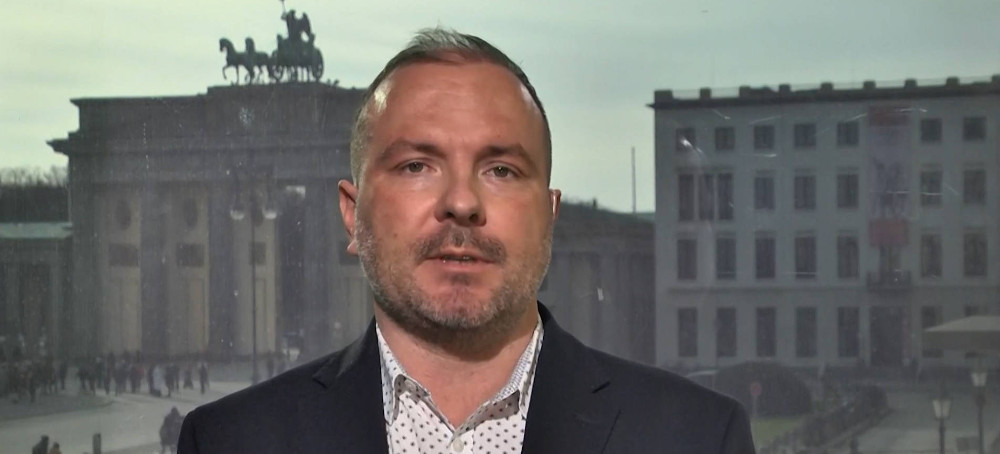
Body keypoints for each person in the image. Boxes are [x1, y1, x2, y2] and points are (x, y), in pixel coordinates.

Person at [179, 28, 754, 454]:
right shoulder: (229, 442)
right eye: (416, 166)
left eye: (501, 170)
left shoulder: (699, 438)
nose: (461, 201)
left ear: (549, 216)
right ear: (353, 215)